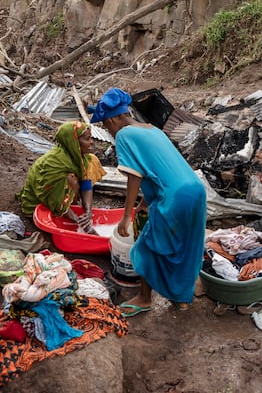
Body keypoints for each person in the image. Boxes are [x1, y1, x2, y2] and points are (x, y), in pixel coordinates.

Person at [90, 87, 207, 316]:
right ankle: (182, 299)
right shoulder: (153, 130)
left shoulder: (124, 135)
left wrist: (126, 215)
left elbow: (135, 175)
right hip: (195, 191)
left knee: (147, 247)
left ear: (114, 118)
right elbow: (158, 169)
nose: (109, 131)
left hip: (174, 198)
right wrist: (144, 202)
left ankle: (144, 298)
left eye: (107, 125)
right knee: (185, 248)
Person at [17, 121, 106, 234]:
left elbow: (86, 184)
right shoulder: (53, 164)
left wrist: (88, 212)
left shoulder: (83, 159)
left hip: (59, 198)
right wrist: (80, 222)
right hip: (42, 203)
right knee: (71, 179)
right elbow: (52, 197)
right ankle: (63, 208)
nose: (91, 143)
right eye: (87, 139)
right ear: (73, 142)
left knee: (88, 163)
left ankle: (66, 206)